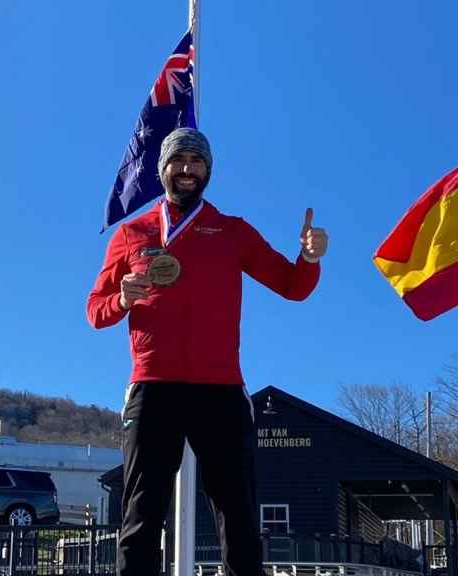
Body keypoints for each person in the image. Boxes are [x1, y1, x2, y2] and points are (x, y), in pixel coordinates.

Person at [87, 128, 328, 576]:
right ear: (162, 170)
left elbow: (292, 286)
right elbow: (95, 311)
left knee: (237, 514)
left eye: (196, 162)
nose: (187, 170)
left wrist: (310, 258)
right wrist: (122, 299)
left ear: (208, 171)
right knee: (141, 513)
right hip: (153, 386)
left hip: (219, 389)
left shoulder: (233, 232)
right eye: (178, 161)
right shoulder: (131, 234)